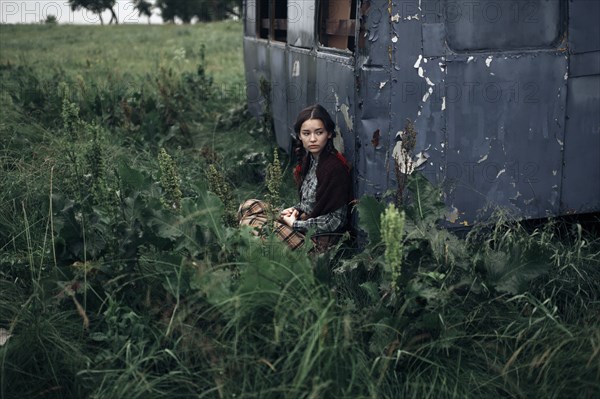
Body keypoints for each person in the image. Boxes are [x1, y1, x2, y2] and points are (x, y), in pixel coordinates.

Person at [238, 104, 353, 252]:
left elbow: (337, 221)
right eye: (306, 133)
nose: (312, 139)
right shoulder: (310, 161)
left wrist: (295, 224)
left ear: (329, 133)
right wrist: (295, 209)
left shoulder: (334, 168)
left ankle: (247, 253)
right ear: (299, 135)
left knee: (251, 223)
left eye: (319, 132)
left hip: (318, 242)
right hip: (304, 222)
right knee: (249, 206)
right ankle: (248, 249)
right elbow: (311, 203)